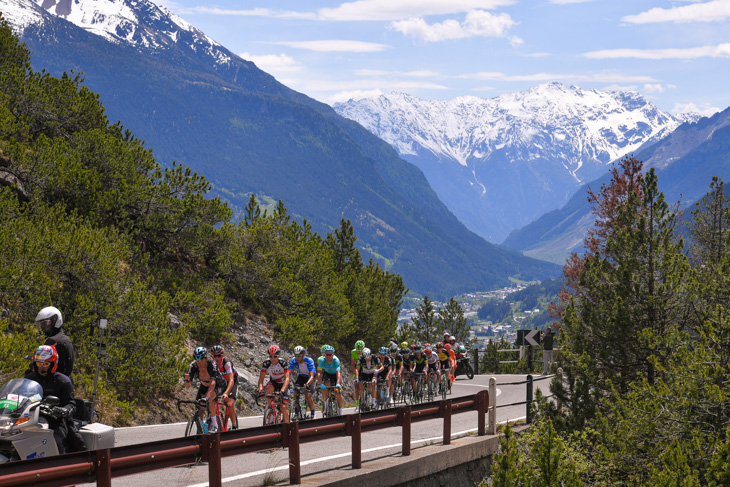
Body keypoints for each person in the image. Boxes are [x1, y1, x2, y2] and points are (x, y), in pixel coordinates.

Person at [24, 345, 78, 454]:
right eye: (39, 363)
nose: (41, 367)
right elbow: (21, 395)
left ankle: (58, 467)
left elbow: (71, 403)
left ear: (53, 364)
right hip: (30, 419)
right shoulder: (29, 378)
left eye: (45, 364)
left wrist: (64, 410)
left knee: (55, 441)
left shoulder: (63, 381)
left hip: (56, 421)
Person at [184, 346, 225, 433]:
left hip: (218, 385)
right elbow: (187, 386)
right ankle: (202, 428)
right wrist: (186, 380)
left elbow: (213, 383)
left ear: (206, 358)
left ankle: (214, 424)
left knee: (209, 399)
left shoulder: (211, 364)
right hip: (204, 385)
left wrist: (207, 396)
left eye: (201, 360)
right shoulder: (194, 366)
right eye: (197, 360)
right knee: (199, 405)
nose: (199, 362)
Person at [34, 306, 75, 380]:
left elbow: (43, 366)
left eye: (46, 324)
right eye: (41, 325)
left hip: (53, 383)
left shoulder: (52, 341)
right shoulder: (66, 339)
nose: (43, 328)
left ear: (55, 321)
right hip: (65, 382)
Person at [257, 345, 291, 423]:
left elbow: (287, 378)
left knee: (283, 407)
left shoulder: (283, 363)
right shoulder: (266, 363)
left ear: (278, 356)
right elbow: (261, 378)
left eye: (275, 356)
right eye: (270, 356)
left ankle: (287, 426)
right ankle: (271, 410)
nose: (272, 358)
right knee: (268, 389)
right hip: (274, 382)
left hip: (283, 383)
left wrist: (282, 391)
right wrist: (260, 390)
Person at [210, 345, 239, 430]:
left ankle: (234, 426)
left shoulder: (226, 363)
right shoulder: (212, 365)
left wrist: (226, 393)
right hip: (221, 382)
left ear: (222, 355)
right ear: (212, 356)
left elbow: (231, 380)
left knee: (229, 404)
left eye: (219, 355)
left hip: (232, 381)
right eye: (215, 356)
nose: (217, 358)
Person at [289, 345, 317, 419]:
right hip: (301, 377)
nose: (297, 357)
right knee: (295, 392)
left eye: (299, 355)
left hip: (310, 378)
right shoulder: (293, 360)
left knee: (308, 396)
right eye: (296, 355)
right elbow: (289, 373)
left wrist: (307, 384)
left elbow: (311, 376)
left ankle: (312, 413)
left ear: (303, 355)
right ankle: (296, 413)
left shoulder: (309, 361)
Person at [316, 345, 344, 416]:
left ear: (333, 354)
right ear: (324, 354)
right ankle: (325, 404)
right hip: (327, 374)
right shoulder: (322, 360)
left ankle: (340, 411)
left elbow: (338, 373)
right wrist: (321, 383)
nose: (328, 356)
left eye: (330, 355)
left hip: (335, 375)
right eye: (326, 354)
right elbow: (318, 373)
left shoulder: (336, 360)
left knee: (337, 392)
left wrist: (338, 383)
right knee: (326, 386)